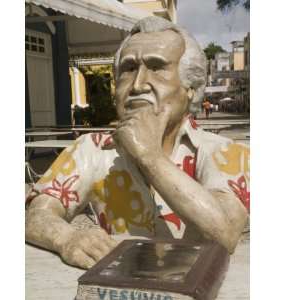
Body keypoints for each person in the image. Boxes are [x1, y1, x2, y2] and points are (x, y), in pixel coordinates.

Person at [26, 16, 249, 270]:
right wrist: (67, 238)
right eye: (129, 69)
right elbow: (37, 214)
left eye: (157, 67)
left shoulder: (227, 152)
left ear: (191, 88)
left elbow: (225, 232)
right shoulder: (91, 149)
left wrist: (149, 156)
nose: (138, 84)